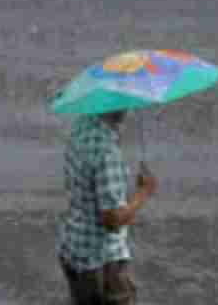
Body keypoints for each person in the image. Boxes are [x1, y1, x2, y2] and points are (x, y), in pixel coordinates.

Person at [58, 109, 156, 305]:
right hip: (102, 263)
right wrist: (143, 192)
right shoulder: (106, 152)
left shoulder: (80, 125)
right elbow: (112, 220)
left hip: (74, 248)